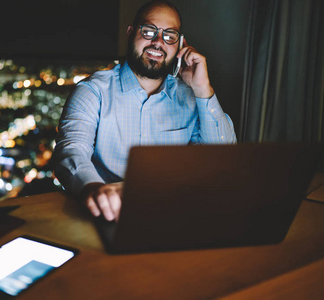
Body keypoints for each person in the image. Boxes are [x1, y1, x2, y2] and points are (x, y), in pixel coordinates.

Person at [53, 0, 237, 222]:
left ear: (180, 44)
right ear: (131, 33)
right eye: (149, 31)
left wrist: (202, 89)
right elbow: (71, 151)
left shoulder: (189, 97)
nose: (158, 42)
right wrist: (93, 189)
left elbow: (224, 160)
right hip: (106, 215)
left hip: (172, 216)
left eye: (170, 35)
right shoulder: (93, 92)